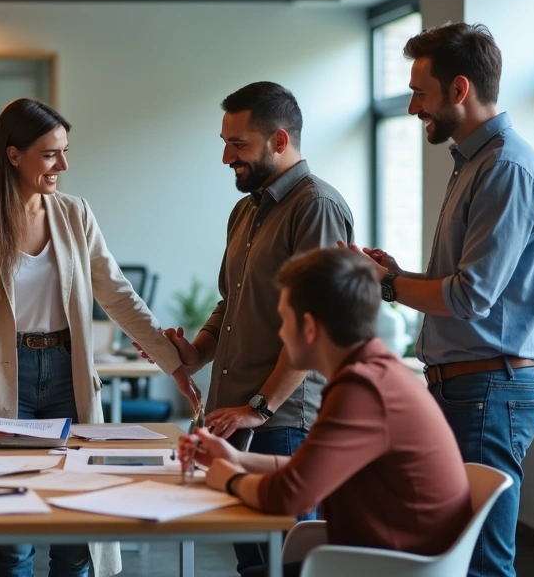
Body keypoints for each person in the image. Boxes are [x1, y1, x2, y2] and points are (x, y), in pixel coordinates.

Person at [0, 98, 198, 577]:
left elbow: (118, 296)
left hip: (65, 375)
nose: (63, 164)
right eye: (51, 154)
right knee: (10, 533)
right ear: (13, 155)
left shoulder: (75, 214)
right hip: (0, 380)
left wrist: (173, 363)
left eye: (65, 151)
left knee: (77, 527)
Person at [346, 22, 534, 577]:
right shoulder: (474, 163)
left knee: (482, 563)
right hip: (465, 387)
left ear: (459, 89)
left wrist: (389, 285)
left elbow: (470, 297)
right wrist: (395, 273)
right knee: (449, 555)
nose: (414, 107)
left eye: (420, 91)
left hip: (486, 389)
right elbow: (462, 284)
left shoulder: (503, 168)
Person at [140, 81, 354, 574]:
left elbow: (317, 322)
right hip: (234, 417)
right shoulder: (246, 209)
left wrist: (261, 407)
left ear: (279, 141)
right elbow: (231, 303)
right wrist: (194, 354)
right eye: (224, 142)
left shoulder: (315, 206)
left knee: (287, 564)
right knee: (254, 566)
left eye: (238, 144)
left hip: (281, 424)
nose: (225, 157)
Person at [182, 247, 473, 577]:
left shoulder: (363, 389)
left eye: (284, 321)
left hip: (390, 568)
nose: (280, 334)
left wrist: (229, 479)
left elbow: (291, 496)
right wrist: (235, 459)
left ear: (309, 327)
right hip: (385, 560)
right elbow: (307, 471)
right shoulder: (373, 373)